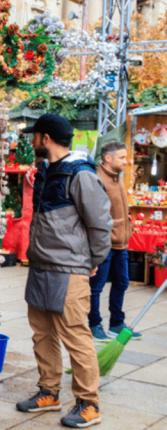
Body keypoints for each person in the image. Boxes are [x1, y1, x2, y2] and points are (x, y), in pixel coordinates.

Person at [15, 114, 112, 429]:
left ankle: (88, 404)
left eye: (34, 136)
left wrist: (92, 261)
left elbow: (100, 224)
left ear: (45, 138)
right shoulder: (44, 171)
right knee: (42, 332)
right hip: (41, 266)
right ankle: (49, 392)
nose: (31, 141)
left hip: (69, 269)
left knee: (75, 336)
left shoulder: (81, 175)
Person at [90, 141, 141, 342]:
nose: (126, 161)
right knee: (96, 287)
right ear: (108, 158)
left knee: (122, 282)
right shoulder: (97, 179)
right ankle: (94, 324)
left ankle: (116, 325)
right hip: (105, 243)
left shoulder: (118, 178)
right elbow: (93, 214)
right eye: (121, 157)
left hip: (121, 244)